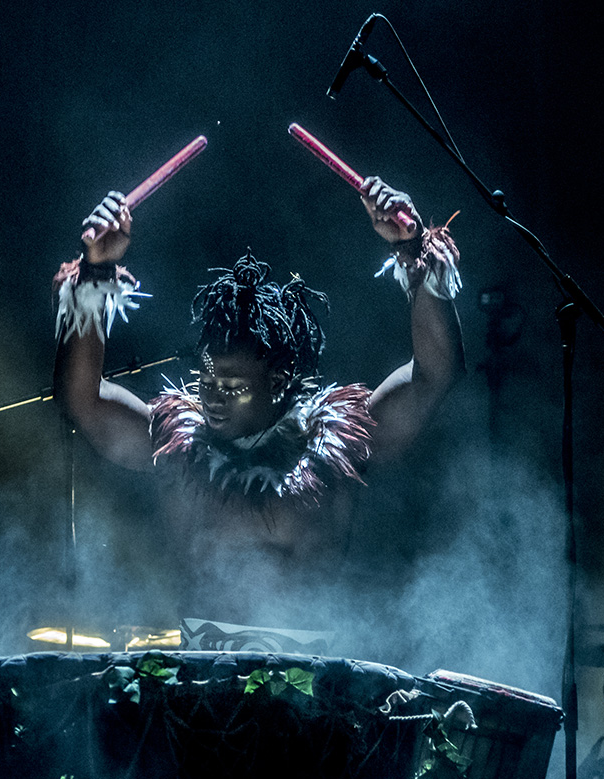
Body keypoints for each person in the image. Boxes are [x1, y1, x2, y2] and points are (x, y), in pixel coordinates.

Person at [52, 176, 465, 645]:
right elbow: (83, 401)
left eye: (232, 385)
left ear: (279, 383)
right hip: (203, 690)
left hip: (310, 691)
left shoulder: (335, 445)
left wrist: (414, 249)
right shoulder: (175, 444)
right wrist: (96, 271)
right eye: (207, 381)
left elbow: (433, 376)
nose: (212, 397)